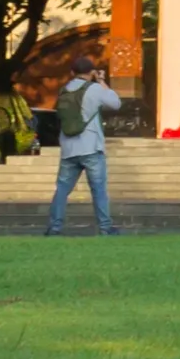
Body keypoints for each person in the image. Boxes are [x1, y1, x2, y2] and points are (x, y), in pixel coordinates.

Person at [46, 56, 122, 235]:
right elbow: (115, 103)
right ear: (92, 72)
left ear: (72, 72)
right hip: (91, 146)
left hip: (68, 148)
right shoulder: (95, 89)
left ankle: (54, 227)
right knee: (98, 190)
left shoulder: (64, 90)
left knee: (62, 190)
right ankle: (105, 227)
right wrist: (102, 81)